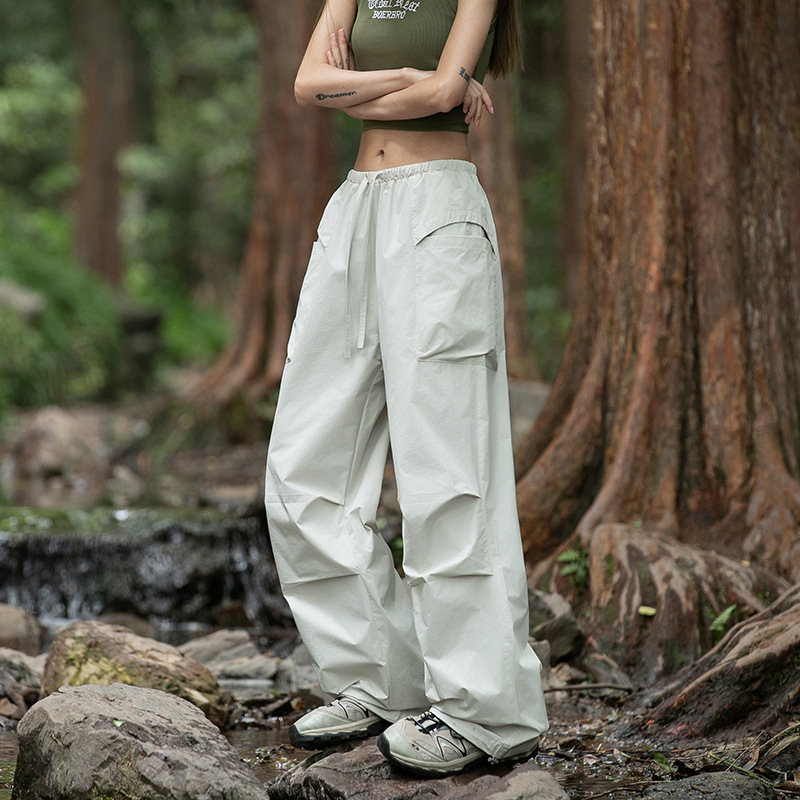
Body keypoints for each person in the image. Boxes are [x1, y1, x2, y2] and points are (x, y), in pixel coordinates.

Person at [265, 0, 549, 778]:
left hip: (436, 213)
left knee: (450, 470)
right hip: (354, 209)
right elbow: (304, 86)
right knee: (302, 461)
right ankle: (378, 677)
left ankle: (488, 710)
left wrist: (358, 86)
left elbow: (433, 99)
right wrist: (410, 78)